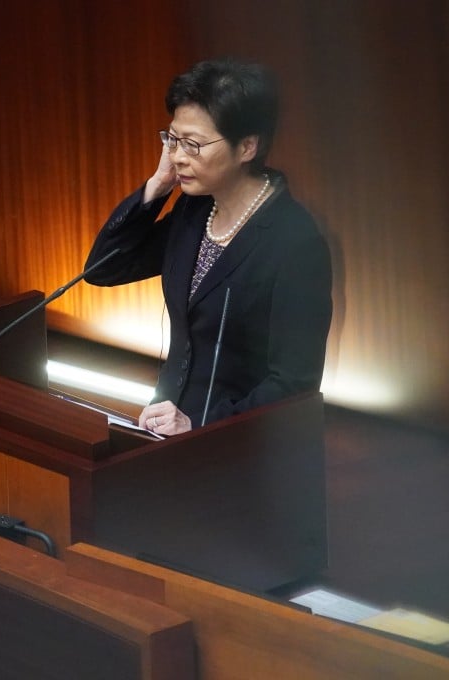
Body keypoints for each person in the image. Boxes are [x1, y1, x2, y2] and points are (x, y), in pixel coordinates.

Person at [84, 57, 332, 436]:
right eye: (173, 140)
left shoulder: (294, 241)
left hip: (241, 452)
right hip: (164, 430)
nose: (178, 156)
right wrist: (158, 184)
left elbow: (294, 383)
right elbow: (103, 269)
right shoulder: (194, 210)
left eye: (194, 144)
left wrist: (200, 425)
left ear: (247, 146)